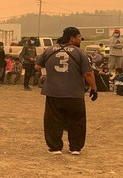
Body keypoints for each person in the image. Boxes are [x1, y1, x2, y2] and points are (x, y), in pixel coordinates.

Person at [36, 27, 97, 155]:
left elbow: (38, 66)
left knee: (53, 120)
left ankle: (55, 147)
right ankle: (75, 148)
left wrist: (49, 74)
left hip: (53, 92)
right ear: (72, 38)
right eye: (79, 37)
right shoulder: (80, 52)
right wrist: (94, 88)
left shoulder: (49, 50)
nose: (80, 39)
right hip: (74, 93)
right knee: (77, 120)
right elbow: (88, 73)